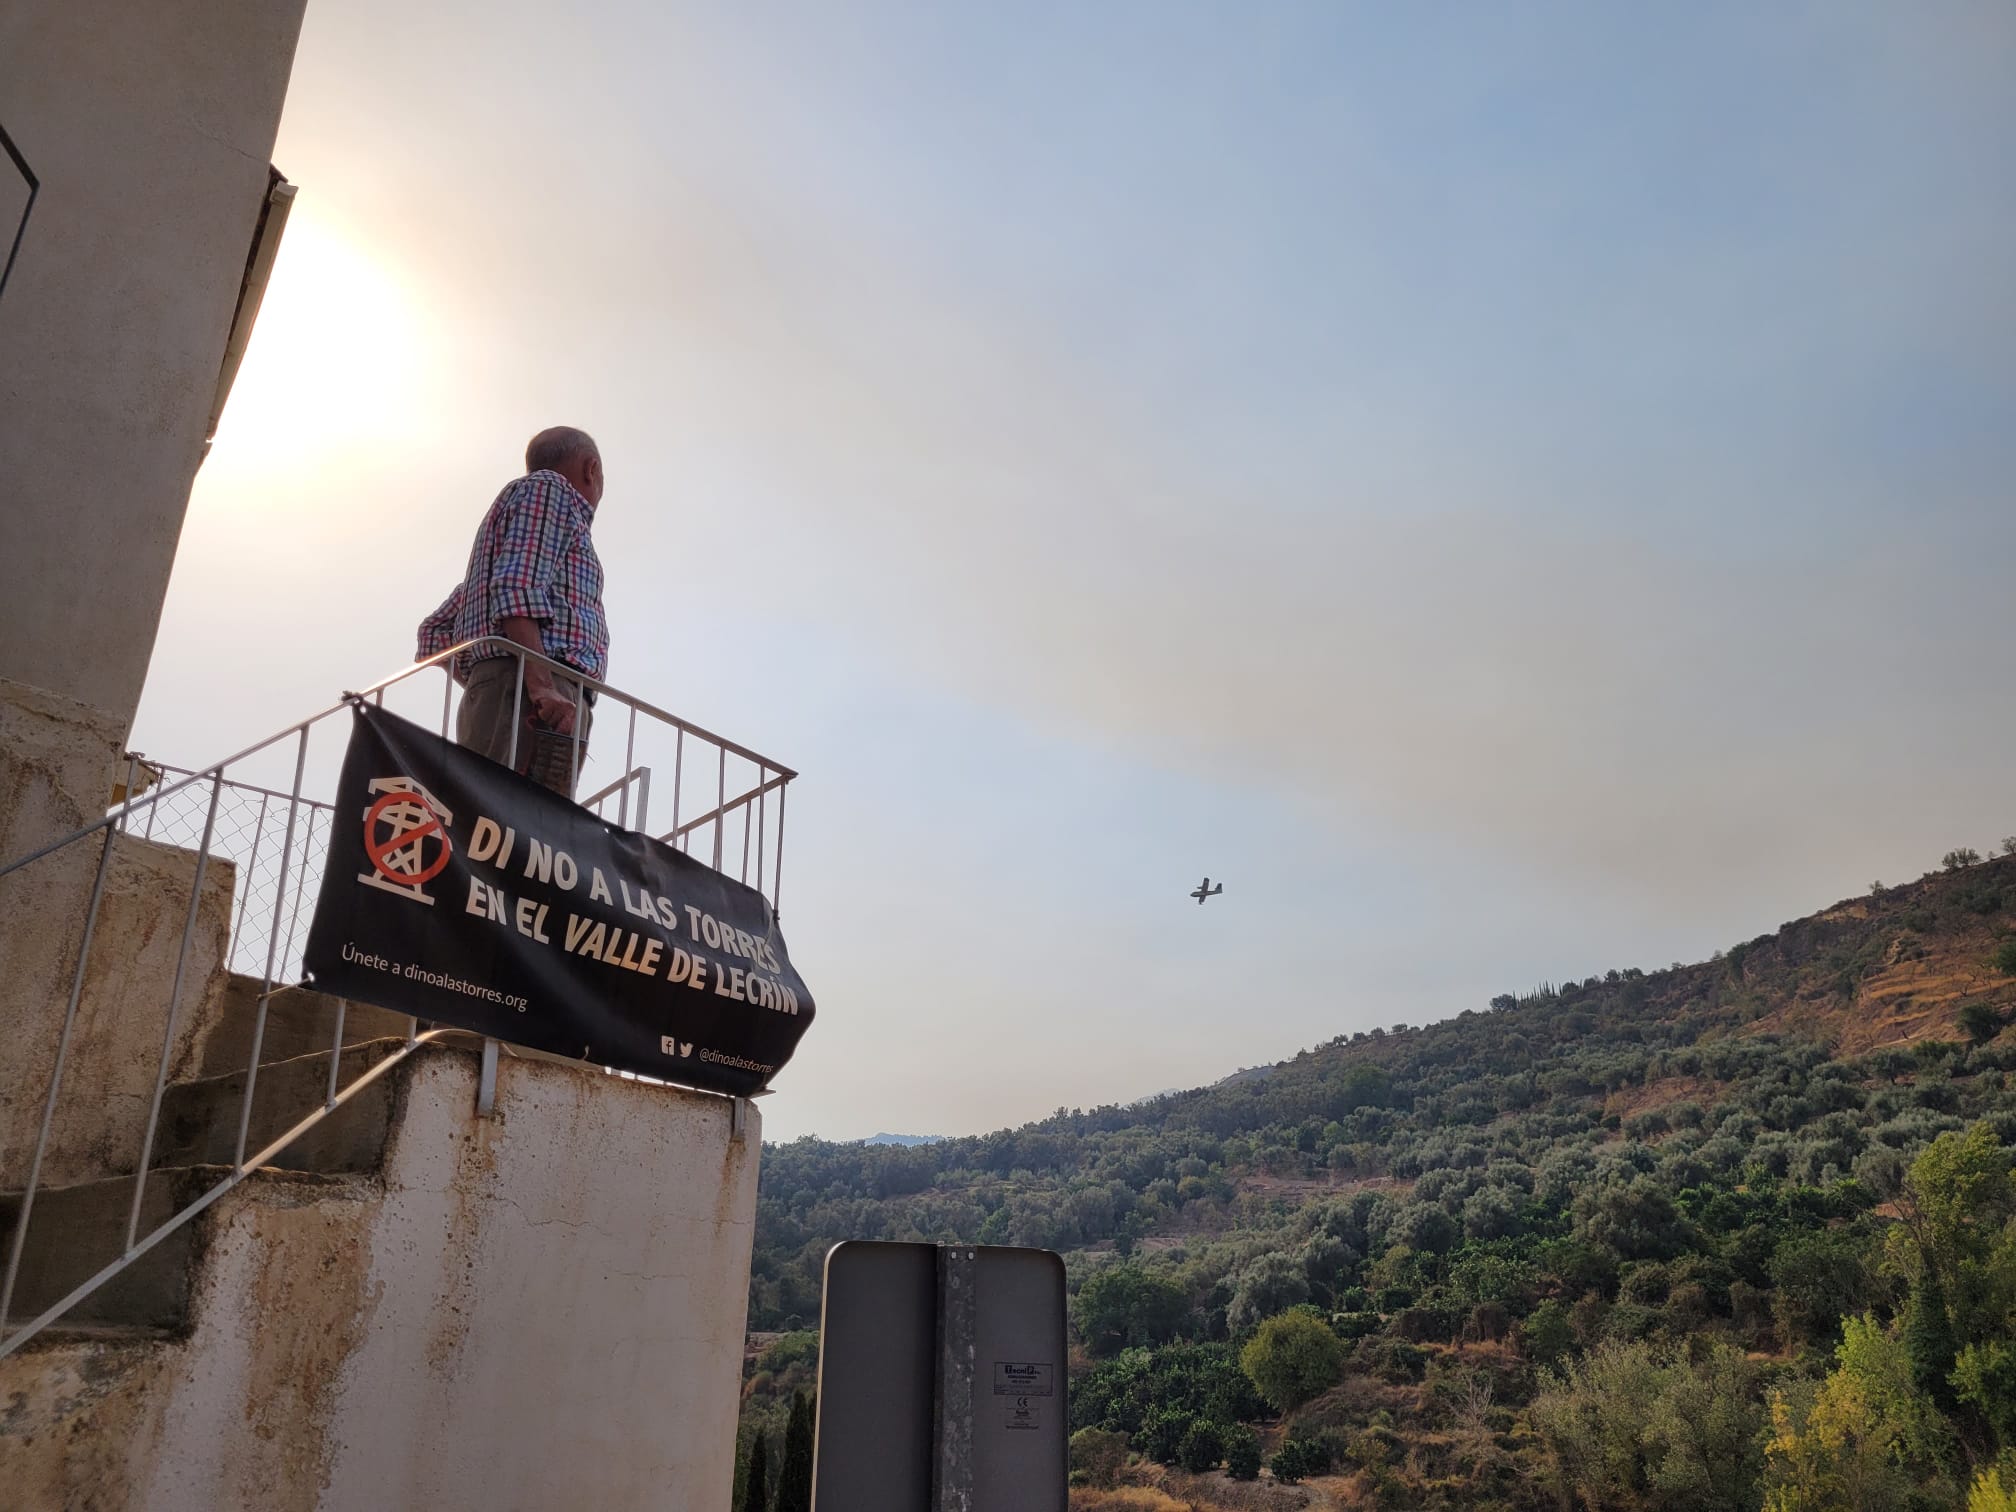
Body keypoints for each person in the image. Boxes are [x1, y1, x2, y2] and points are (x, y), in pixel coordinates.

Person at [418, 427, 609, 796]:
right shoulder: (551, 490)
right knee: (510, 825)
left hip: (516, 689)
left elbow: (434, 634)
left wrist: (483, 684)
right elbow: (518, 587)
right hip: (538, 694)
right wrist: (539, 686)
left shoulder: (515, 532)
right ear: (592, 469)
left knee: (514, 835)